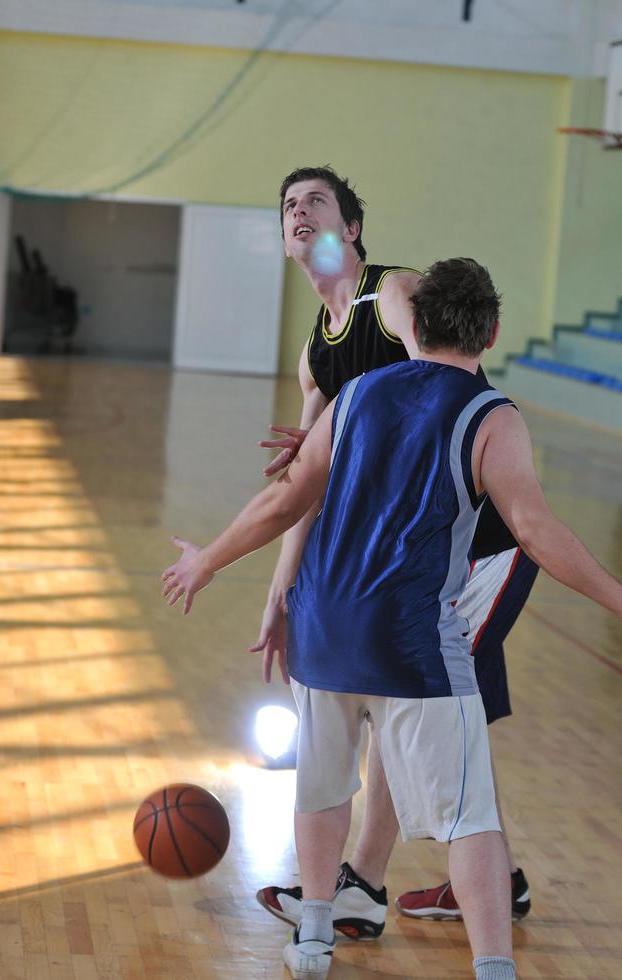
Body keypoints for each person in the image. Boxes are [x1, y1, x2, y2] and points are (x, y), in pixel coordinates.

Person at [162, 257, 622, 980]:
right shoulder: (489, 413)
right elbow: (532, 531)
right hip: (411, 643)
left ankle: (313, 941)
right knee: (470, 819)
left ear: (415, 325)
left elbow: (285, 503)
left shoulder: (355, 395)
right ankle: (493, 969)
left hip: (320, 631)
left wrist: (207, 560)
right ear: (491, 331)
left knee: (320, 790)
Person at [252, 166, 536, 935]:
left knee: (400, 696)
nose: (299, 212)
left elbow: (433, 390)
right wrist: (286, 591)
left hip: (472, 550)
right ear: (285, 240)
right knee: (409, 702)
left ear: (351, 229)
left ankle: (361, 888)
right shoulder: (317, 357)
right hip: (399, 567)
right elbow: (306, 486)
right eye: (288, 207)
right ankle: (487, 879)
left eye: (316, 201)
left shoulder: (394, 294)